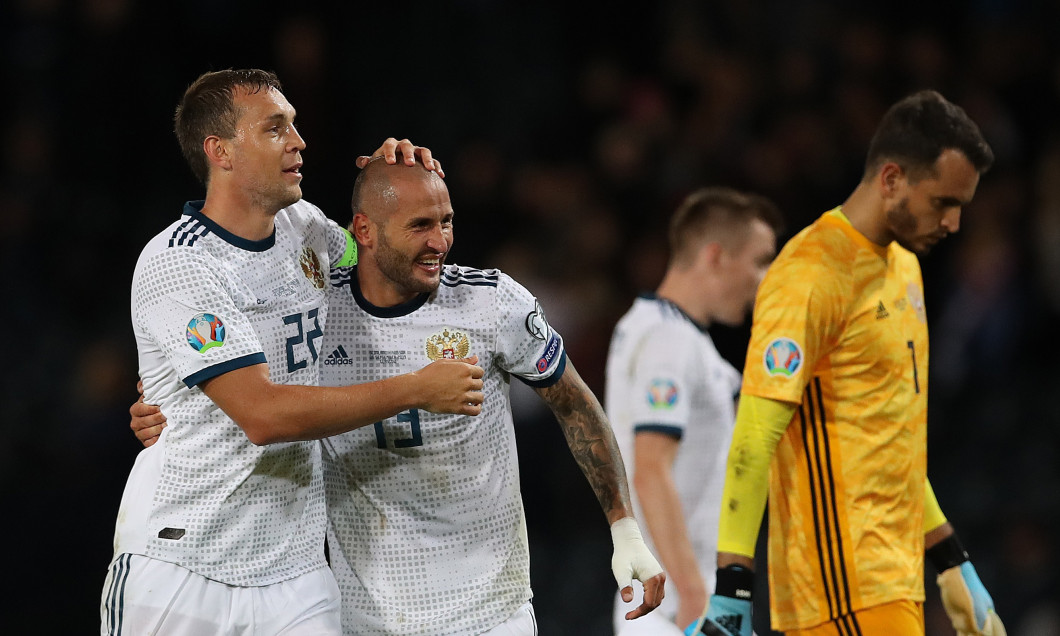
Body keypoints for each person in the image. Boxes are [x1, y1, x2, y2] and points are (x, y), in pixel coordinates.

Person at [132, 153, 667, 635]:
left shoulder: (492, 304)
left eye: (446, 222)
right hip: (364, 622)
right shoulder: (316, 312)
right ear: (363, 230)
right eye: (420, 226)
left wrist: (624, 527)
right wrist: (167, 407)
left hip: (491, 615)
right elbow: (250, 393)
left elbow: (574, 403)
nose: (440, 242)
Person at [103, 68, 484, 635]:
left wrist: (397, 188)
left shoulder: (306, 229)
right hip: (183, 561)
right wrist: (416, 389)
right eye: (275, 128)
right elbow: (262, 415)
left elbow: (393, 272)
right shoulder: (178, 262)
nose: (298, 142)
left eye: (295, 126)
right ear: (221, 151)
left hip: (296, 573)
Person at [688, 90, 1007, 636]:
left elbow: (891, 439)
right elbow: (753, 438)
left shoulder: (904, 267)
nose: (953, 223)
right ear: (891, 180)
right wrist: (733, 590)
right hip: (839, 589)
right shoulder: (809, 274)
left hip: (894, 582)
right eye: (942, 203)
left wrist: (952, 560)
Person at [606, 187, 783, 635]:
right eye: (760, 260)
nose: (764, 279)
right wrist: (692, 594)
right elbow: (649, 470)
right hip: (677, 607)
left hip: (674, 598)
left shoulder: (664, 333)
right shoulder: (669, 341)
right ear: (716, 256)